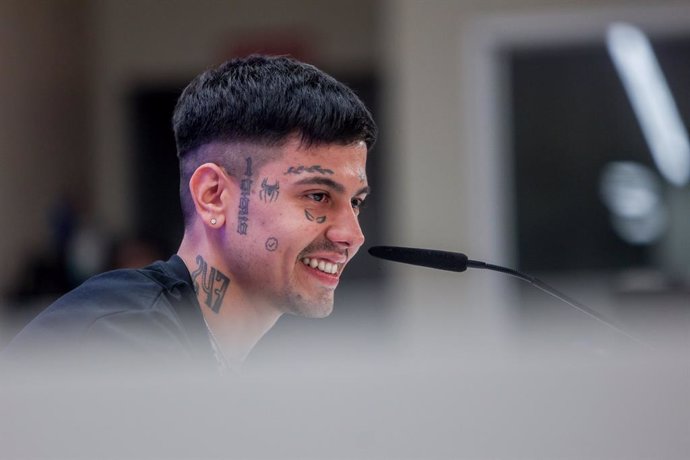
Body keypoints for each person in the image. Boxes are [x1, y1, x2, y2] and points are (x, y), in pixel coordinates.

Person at [2, 55, 377, 373]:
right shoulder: (122, 339)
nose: (352, 234)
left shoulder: (215, 361)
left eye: (356, 202)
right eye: (317, 195)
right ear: (213, 196)